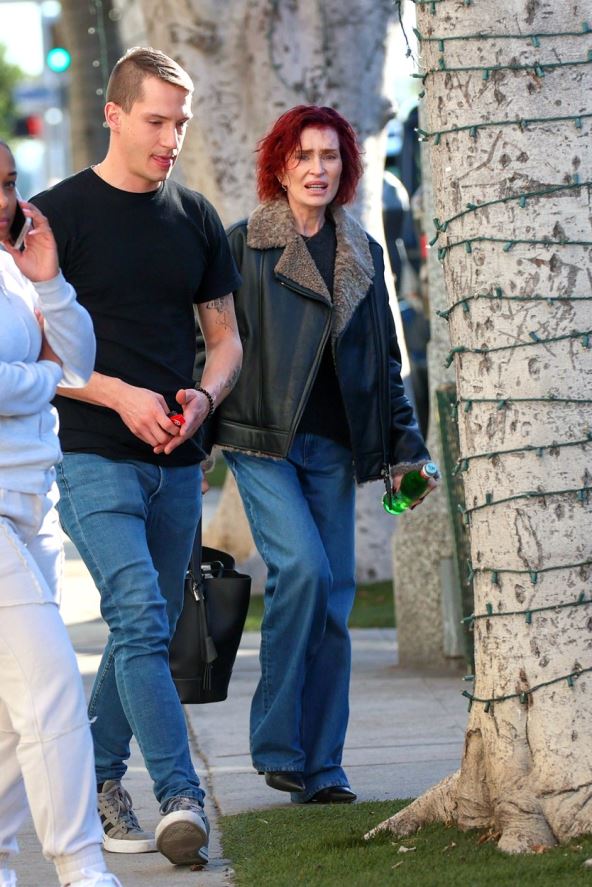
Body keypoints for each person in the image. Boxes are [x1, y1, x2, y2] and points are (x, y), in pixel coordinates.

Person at [32, 47, 242, 867]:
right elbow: (35, 353)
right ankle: (182, 798)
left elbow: (224, 340)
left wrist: (204, 399)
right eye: (156, 120)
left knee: (138, 628)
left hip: (178, 463)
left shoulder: (195, 217)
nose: (171, 138)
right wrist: (120, 395)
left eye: (180, 122)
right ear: (114, 114)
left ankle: (96, 776)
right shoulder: (56, 217)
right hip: (90, 452)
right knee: (140, 615)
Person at [212, 106, 437, 804]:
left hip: (335, 447)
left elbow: (385, 365)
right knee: (304, 571)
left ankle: (323, 766)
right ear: (280, 167)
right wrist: (193, 427)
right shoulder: (244, 245)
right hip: (260, 439)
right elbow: (210, 343)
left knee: (335, 600)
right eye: (304, 156)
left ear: (346, 167)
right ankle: (279, 745)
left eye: (330, 156)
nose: (318, 168)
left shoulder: (361, 250)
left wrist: (407, 449)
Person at [0, 142, 121, 887]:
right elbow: (48, 376)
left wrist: (48, 280)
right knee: (51, 683)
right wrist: (42, 375)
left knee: (11, 712)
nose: (4, 201)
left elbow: (76, 360)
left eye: (9, 183)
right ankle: (83, 866)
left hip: (31, 494)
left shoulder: (17, 268)